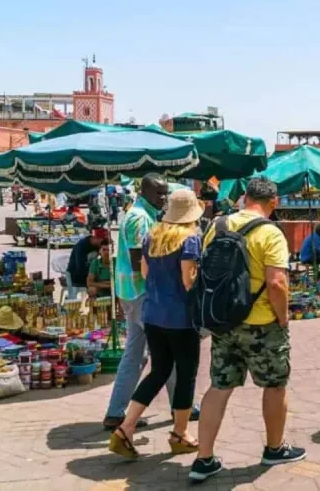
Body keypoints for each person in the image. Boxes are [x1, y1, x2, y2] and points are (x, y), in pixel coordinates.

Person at [191, 177, 305, 483]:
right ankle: (274, 448)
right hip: (262, 324)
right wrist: (283, 318)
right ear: (274, 202)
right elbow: (277, 283)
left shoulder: (218, 225)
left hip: (224, 321)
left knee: (220, 386)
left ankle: (203, 459)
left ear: (244, 197)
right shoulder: (270, 233)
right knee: (274, 384)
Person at [108, 189, 203, 459]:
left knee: (158, 371)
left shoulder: (153, 236)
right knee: (186, 374)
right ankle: (180, 433)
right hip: (180, 318)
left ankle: (125, 428)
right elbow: (188, 281)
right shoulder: (190, 239)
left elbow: (145, 271)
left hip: (152, 314)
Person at [66, 228, 108, 297]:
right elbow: (80, 268)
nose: (105, 243)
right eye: (104, 241)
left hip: (91, 275)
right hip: (76, 276)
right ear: (96, 238)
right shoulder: (81, 246)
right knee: (97, 287)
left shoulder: (98, 246)